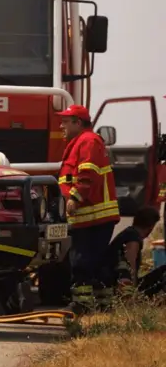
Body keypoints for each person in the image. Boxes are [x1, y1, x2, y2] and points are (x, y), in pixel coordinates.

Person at [57, 104, 120, 312]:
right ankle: (101, 305)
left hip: (91, 214)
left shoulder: (88, 141)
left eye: (66, 121)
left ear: (78, 122)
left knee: (82, 261)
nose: (61, 125)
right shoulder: (81, 141)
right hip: (90, 215)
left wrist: (75, 197)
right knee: (93, 260)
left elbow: (87, 174)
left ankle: (82, 305)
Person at [109, 206, 161, 291]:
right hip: (120, 286)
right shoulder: (133, 238)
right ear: (151, 226)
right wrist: (133, 292)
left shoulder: (130, 233)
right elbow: (130, 265)